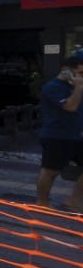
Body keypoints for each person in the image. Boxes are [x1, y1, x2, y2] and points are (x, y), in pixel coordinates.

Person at [36, 51, 83, 210]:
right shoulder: (52, 87)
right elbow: (70, 106)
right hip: (57, 135)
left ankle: (74, 200)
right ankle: (42, 203)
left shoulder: (78, 86)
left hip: (77, 135)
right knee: (51, 171)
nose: (81, 77)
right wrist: (78, 87)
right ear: (67, 69)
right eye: (80, 72)